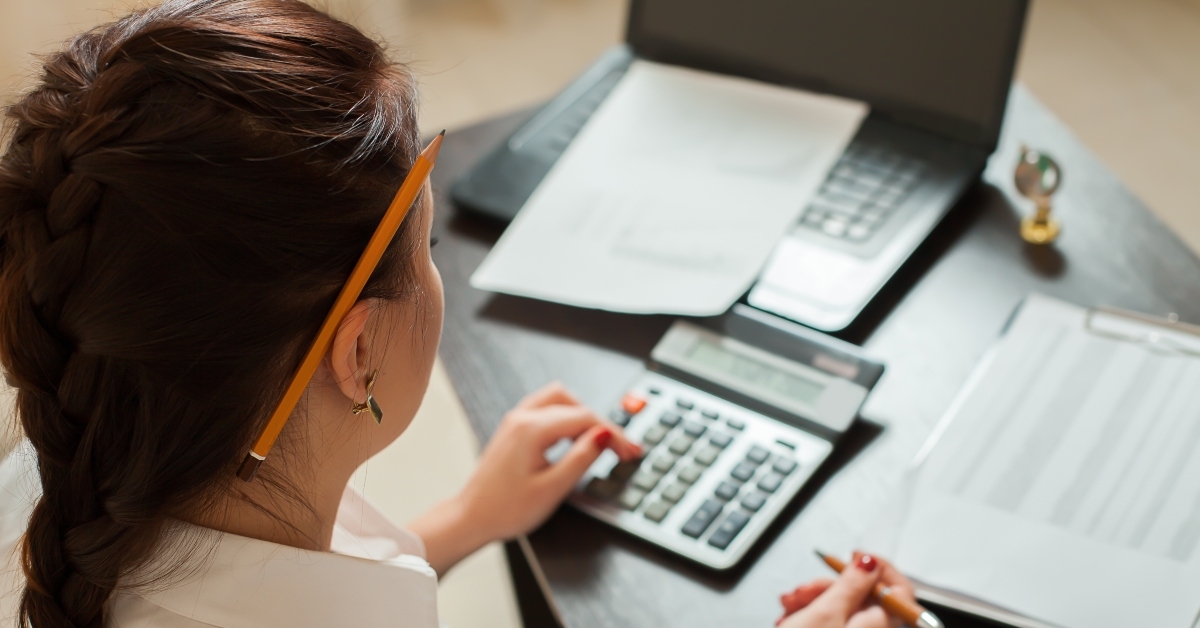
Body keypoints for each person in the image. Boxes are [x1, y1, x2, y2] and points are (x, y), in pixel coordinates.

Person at [0, 1, 914, 626]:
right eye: (428, 249)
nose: (439, 277)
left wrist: (462, 520)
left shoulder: (67, 459)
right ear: (359, 351)